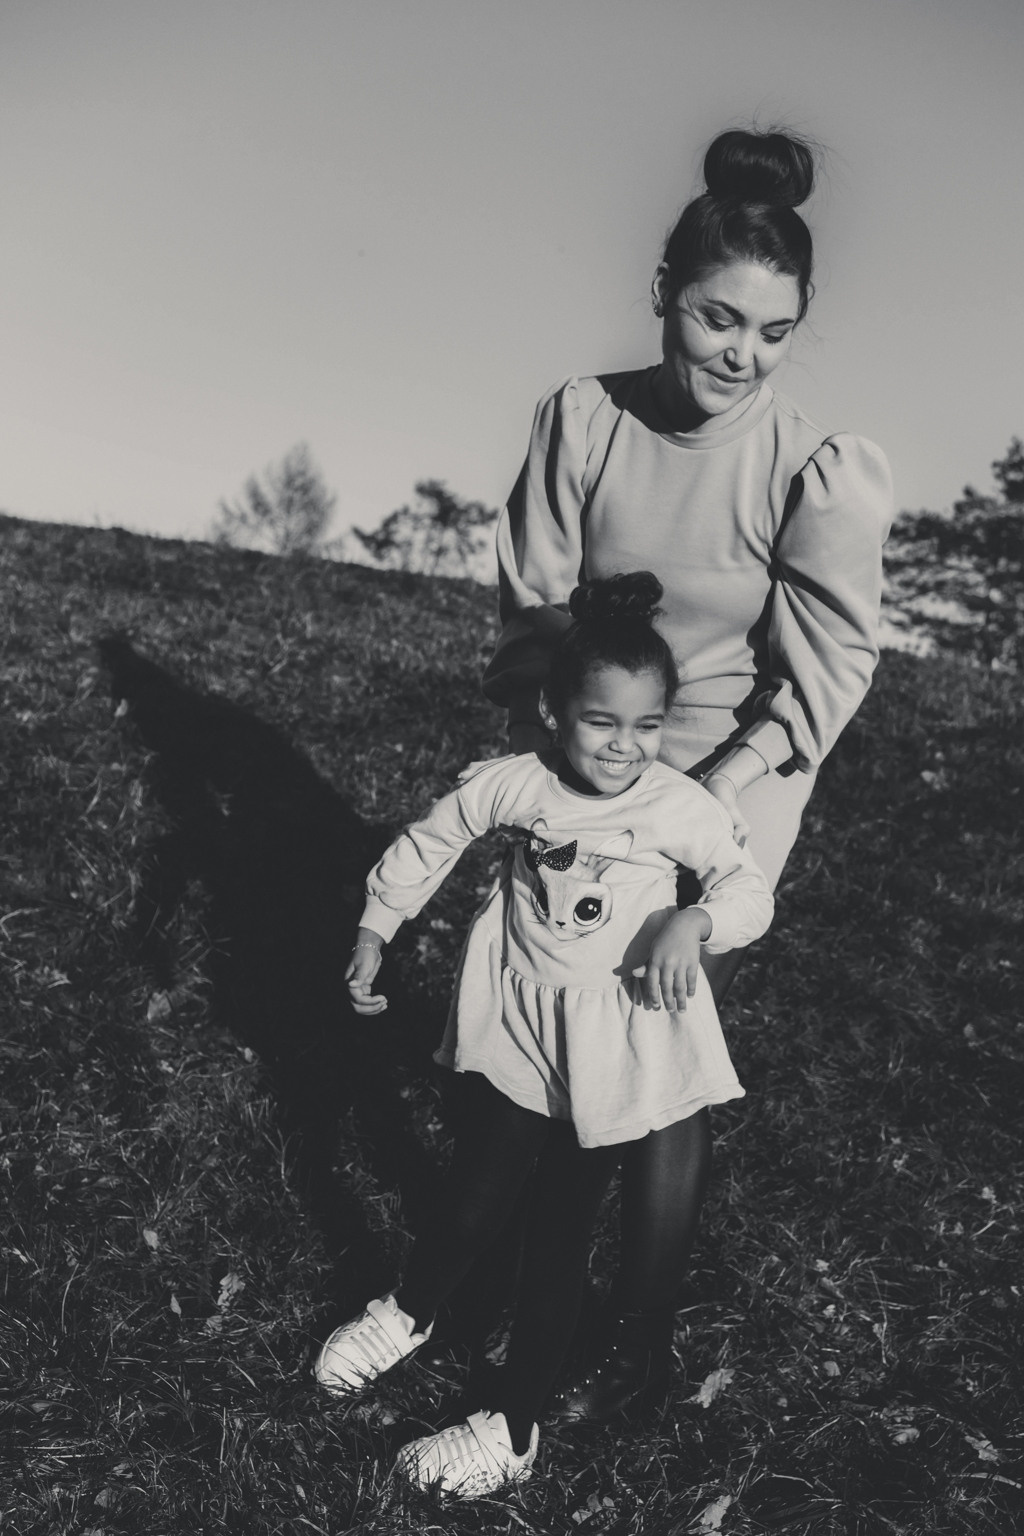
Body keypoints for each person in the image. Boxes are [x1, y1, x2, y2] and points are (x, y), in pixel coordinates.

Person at [481, 126, 894, 1422]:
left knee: (648, 1022)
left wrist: (689, 805)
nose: (739, 354)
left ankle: (636, 1348)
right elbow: (531, 613)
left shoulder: (815, 471)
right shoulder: (583, 419)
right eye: (719, 317)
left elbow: (825, 676)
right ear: (666, 287)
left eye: (773, 333)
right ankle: (532, 1294)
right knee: (562, 1027)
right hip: (601, 752)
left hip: (736, 771)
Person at [315, 572, 774, 1498]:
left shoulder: (676, 805)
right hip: (522, 1032)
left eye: (648, 727)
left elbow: (747, 888)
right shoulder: (516, 785)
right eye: (603, 722)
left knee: (559, 1234)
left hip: (612, 1053)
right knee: (474, 1193)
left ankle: (514, 1427)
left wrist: (696, 923)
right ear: (553, 711)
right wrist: (376, 929)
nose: (626, 746)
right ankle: (408, 1312)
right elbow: (428, 841)